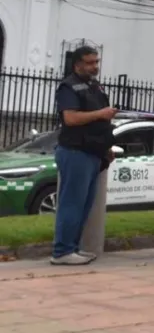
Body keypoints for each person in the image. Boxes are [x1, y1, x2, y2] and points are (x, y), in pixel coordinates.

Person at [51, 46, 117, 265]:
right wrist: (101, 113)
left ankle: (73, 248)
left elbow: (100, 123)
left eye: (96, 62)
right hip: (75, 151)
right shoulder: (68, 87)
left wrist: (106, 148)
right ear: (77, 64)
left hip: (93, 152)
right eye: (89, 63)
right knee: (72, 203)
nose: (95, 66)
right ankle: (62, 251)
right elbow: (70, 118)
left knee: (84, 205)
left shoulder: (95, 86)